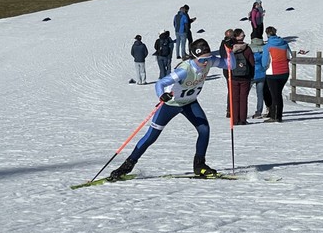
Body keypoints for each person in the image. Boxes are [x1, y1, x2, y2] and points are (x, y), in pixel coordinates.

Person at [109, 39, 235, 180]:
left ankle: (199, 165)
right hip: (171, 105)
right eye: (201, 60)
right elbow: (161, 83)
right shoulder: (184, 70)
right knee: (151, 137)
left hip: (190, 103)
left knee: (204, 130)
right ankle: (127, 166)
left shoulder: (210, 61)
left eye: (207, 58)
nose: (205, 62)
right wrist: (161, 95)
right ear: (194, 57)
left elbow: (231, 65)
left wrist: (230, 51)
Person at [262, 26, 293, 123]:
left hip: (272, 72)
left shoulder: (268, 46)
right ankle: (277, 115)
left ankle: (275, 116)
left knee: (275, 95)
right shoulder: (284, 43)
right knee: (278, 94)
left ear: (267, 34)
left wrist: (265, 68)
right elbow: (290, 56)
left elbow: (264, 62)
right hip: (284, 72)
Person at [229, 29, 255, 126]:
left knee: (235, 98)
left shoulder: (231, 48)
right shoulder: (247, 48)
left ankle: (235, 119)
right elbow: (252, 63)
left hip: (234, 76)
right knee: (244, 98)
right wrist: (252, 75)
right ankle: (243, 119)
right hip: (245, 77)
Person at [219, 29, 235, 117]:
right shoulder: (227, 44)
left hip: (227, 68)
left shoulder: (224, 43)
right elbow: (224, 55)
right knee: (231, 90)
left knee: (231, 90)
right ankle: (230, 109)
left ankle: (230, 109)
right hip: (229, 68)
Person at [250, 37, 266, 119]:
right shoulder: (263, 51)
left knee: (244, 94)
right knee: (260, 95)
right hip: (262, 74)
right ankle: (259, 112)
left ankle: (242, 112)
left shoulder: (250, 52)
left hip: (252, 74)